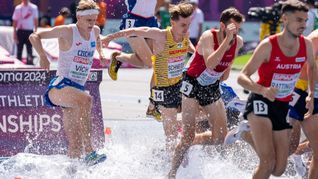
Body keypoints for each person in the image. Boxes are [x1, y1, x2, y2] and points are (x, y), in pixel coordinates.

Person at [225, 1, 316, 178]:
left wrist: (311, 94)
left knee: (279, 169)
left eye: (305, 20)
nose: (304, 25)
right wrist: (263, 89)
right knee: (267, 164)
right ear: (285, 18)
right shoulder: (268, 45)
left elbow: (312, 67)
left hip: (282, 106)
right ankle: (249, 131)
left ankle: (246, 134)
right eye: (299, 20)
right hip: (261, 102)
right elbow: (242, 77)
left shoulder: (306, 45)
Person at [102, 2, 194, 152]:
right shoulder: (164, 34)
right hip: (134, 19)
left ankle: (153, 104)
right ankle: (119, 58)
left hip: (149, 18)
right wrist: (109, 38)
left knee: (156, 60)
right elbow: (136, 27)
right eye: (184, 25)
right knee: (148, 62)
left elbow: (163, 4)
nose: (186, 28)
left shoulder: (183, 34)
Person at [168, 7, 244, 178]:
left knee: (220, 137)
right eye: (232, 29)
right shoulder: (208, 36)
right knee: (187, 135)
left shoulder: (238, 41)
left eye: (238, 29)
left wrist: (220, 74)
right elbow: (210, 63)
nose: (235, 33)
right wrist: (226, 42)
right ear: (222, 27)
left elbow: (224, 72)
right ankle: (171, 173)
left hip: (211, 86)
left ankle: (189, 142)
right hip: (192, 84)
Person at [29, 0, 107, 166]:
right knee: (87, 100)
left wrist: (100, 53)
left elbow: (98, 38)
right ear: (78, 17)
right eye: (88, 20)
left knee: (74, 144)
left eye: (94, 20)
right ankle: (90, 151)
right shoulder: (67, 31)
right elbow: (34, 36)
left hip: (75, 91)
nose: (92, 24)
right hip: (60, 87)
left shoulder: (96, 30)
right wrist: (42, 56)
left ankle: (72, 173)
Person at [287, 29, 318, 178]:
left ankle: (297, 153)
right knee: (290, 146)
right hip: (304, 93)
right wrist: (311, 94)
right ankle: (251, 133)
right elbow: (309, 67)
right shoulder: (316, 38)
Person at [12, 0, 38, 65]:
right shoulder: (18, 8)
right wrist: (14, 33)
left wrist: (35, 32)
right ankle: (18, 65)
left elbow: (36, 20)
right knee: (19, 50)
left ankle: (30, 64)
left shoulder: (33, 8)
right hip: (20, 31)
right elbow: (15, 21)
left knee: (29, 49)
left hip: (29, 31)